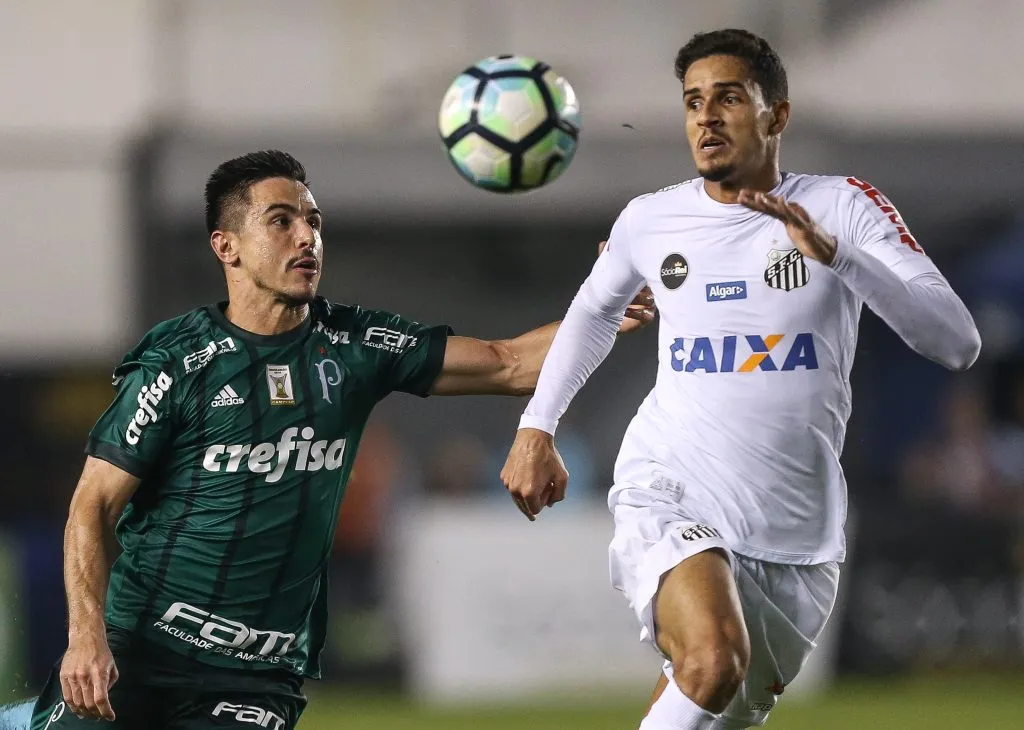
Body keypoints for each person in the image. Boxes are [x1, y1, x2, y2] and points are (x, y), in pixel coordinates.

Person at [10, 149, 655, 730]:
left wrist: (601, 304)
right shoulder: (179, 360)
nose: (306, 237)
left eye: (313, 221)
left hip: (256, 676)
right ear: (227, 246)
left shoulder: (353, 344)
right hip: (139, 649)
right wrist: (86, 633)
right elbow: (92, 503)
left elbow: (508, 362)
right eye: (281, 221)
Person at [500, 28, 981, 730]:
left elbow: (957, 341)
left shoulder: (844, 206)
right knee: (713, 659)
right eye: (693, 102)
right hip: (672, 484)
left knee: (705, 696)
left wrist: (840, 257)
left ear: (776, 115)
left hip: (796, 533)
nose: (706, 116)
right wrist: (536, 428)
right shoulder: (650, 219)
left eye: (728, 98)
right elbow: (592, 315)